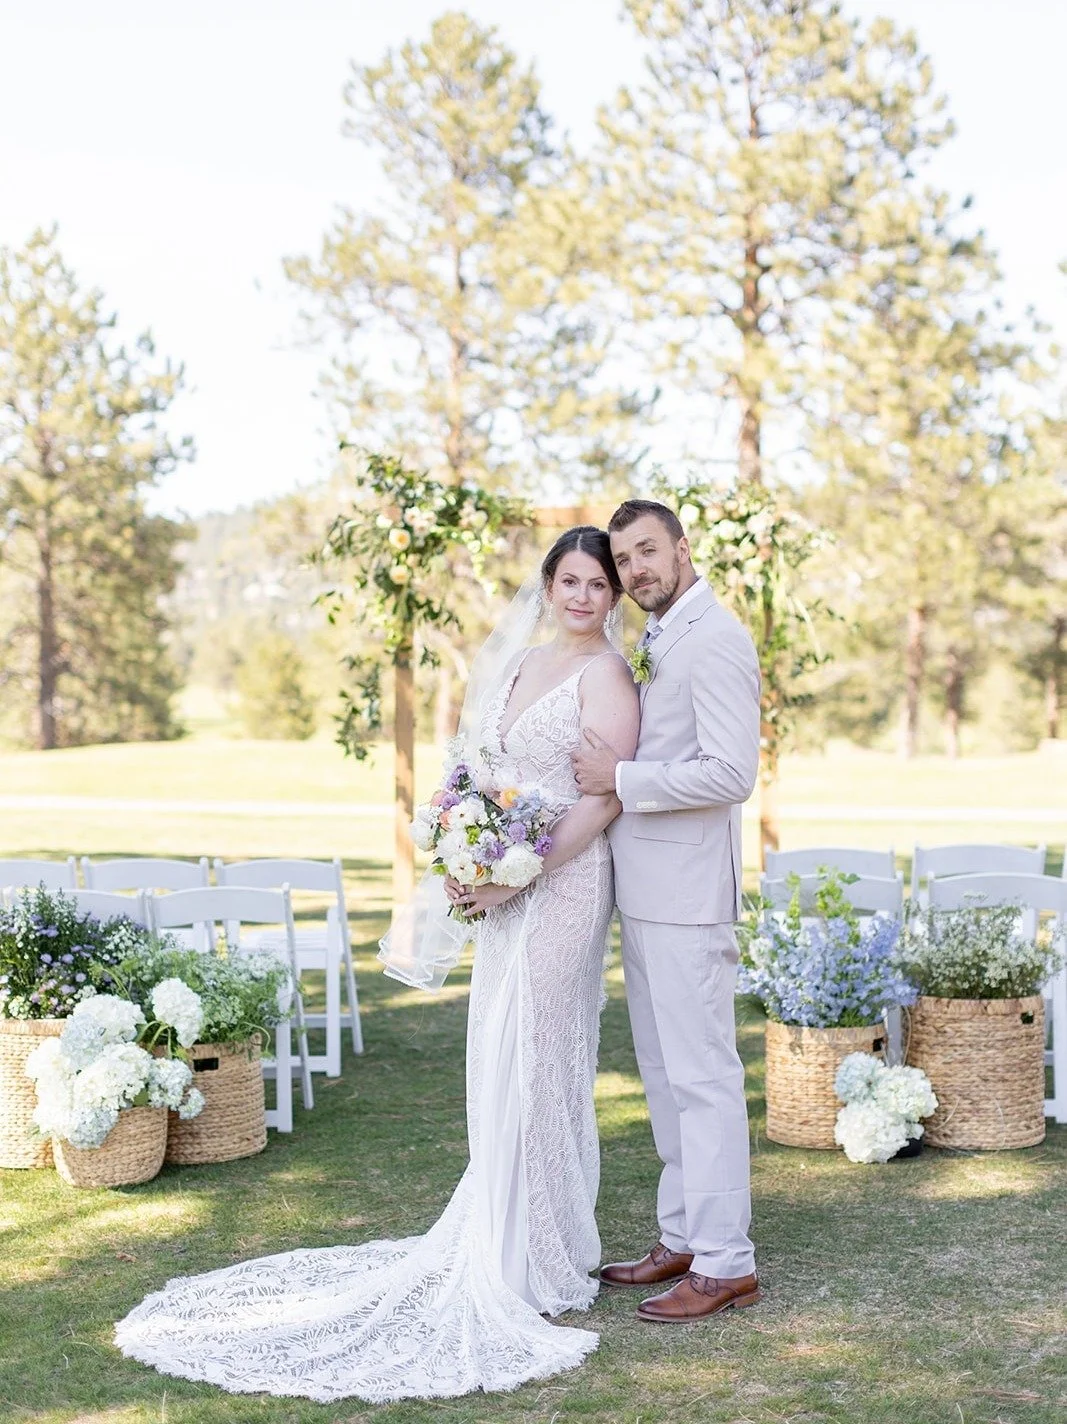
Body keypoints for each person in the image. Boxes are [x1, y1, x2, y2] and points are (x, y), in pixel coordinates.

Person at [114, 525, 640, 1404]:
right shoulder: (515, 666)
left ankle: (544, 1255)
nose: (582, 596)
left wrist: (524, 875)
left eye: (598, 584)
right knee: (498, 1053)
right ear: (547, 585)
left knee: (542, 1056)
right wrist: (469, 853)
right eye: (570, 580)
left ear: (613, 598)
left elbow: (602, 797)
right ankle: (507, 1234)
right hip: (504, 886)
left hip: (565, 886)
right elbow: (479, 773)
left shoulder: (610, 676)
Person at [572, 498, 761, 1323]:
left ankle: (725, 1261)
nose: (636, 570)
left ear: (682, 548)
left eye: (647, 551)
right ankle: (682, 1234)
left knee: (702, 1076)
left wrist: (622, 781)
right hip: (645, 893)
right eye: (625, 560)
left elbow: (729, 772)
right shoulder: (658, 636)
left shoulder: (715, 636)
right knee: (661, 1075)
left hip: (687, 897)